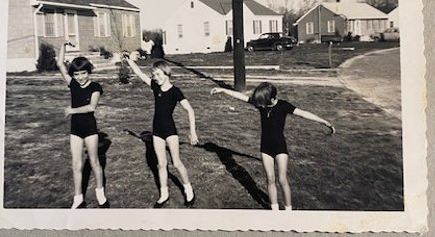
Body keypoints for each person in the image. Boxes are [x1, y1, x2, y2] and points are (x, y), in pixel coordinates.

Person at [210, 82, 335, 210]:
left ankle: (288, 210)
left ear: (272, 99)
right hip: (265, 148)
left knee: (282, 179)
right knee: (270, 179)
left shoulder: (283, 106)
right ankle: (274, 210)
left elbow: (304, 113)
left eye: (261, 102)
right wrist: (223, 90)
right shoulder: (262, 105)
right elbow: (241, 97)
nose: (259, 105)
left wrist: (324, 122)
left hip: (280, 147)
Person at [124, 54, 198, 207]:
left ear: (166, 73)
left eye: (158, 74)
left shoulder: (175, 91)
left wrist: (193, 132)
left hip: (170, 131)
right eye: (154, 75)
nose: (155, 77)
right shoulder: (155, 86)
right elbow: (140, 74)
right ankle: (164, 195)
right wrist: (129, 61)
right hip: (157, 131)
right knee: (161, 164)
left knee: (176, 163)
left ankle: (188, 190)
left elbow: (190, 110)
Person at [57, 42, 109, 209]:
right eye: (77, 74)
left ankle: (100, 192)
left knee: (94, 162)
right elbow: (60, 64)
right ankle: (78, 197)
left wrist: (71, 110)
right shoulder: (72, 84)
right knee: (76, 164)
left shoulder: (95, 87)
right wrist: (63, 45)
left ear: (89, 72)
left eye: (83, 73)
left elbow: (91, 107)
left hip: (90, 129)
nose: (80, 77)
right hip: (75, 130)